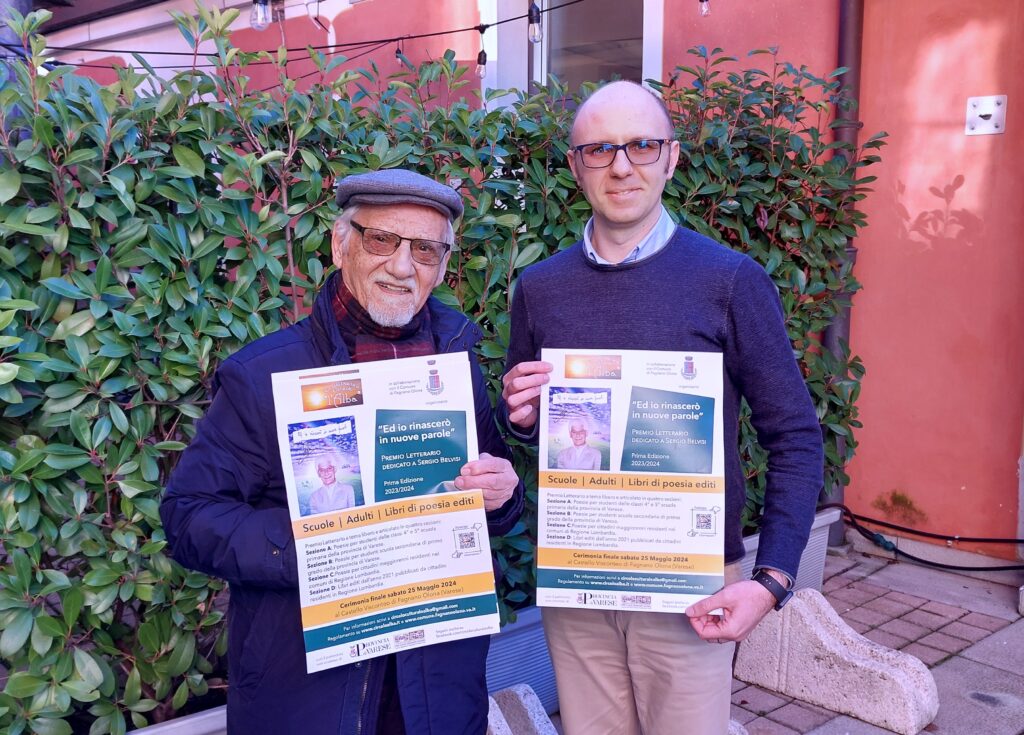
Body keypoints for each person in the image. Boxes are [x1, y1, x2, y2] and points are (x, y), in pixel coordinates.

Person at [500, 81, 824, 735]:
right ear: (574, 164)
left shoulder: (730, 280)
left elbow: (794, 434)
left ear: (671, 158)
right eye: (599, 150)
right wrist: (522, 418)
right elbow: (530, 425)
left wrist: (771, 579)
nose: (622, 166)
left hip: (691, 585)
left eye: (642, 146)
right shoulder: (538, 288)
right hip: (580, 581)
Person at [161, 169, 524, 735]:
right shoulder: (264, 375)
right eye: (382, 240)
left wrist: (502, 494)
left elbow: (495, 500)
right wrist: (317, 549)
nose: (403, 266)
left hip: (437, 686)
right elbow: (188, 517)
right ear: (340, 243)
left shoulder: (454, 361)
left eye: (425, 250)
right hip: (309, 692)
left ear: (444, 265)